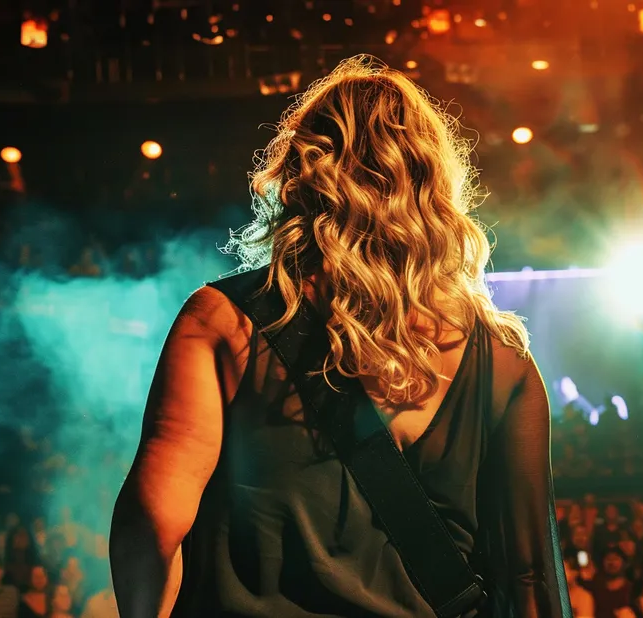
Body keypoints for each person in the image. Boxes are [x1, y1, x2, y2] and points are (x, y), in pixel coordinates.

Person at [110, 54, 568, 618]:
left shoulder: (222, 321)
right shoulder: (501, 362)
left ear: (301, 171)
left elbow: (153, 520)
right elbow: (527, 574)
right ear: (432, 183)